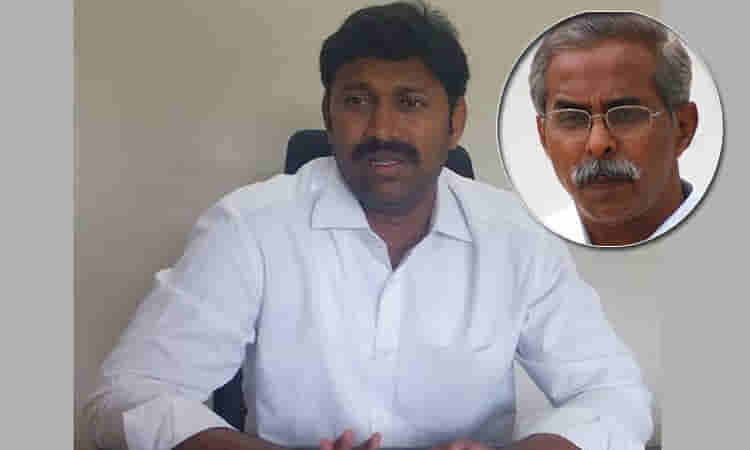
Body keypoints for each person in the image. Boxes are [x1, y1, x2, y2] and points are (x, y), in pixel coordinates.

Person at [84, 2, 653, 450]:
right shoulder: (249, 227)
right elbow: (125, 399)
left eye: (411, 102)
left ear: (454, 121)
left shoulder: (515, 238)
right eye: (357, 101)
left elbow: (617, 395)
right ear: (329, 116)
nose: (383, 129)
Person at [529, 12, 699, 246]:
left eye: (626, 115)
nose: (598, 144)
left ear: (683, 128)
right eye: (573, 118)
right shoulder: (527, 249)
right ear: (543, 136)